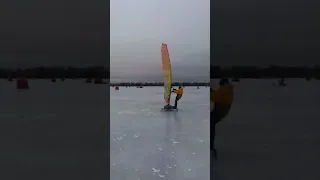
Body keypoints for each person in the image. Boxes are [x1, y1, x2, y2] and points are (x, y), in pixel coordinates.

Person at [211, 78, 233, 160]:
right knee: (210, 125)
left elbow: (216, 97)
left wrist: (209, 92)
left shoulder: (224, 89)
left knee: (210, 125)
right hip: (222, 112)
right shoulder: (228, 89)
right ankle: (210, 145)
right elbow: (218, 95)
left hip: (219, 111)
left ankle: (210, 146)